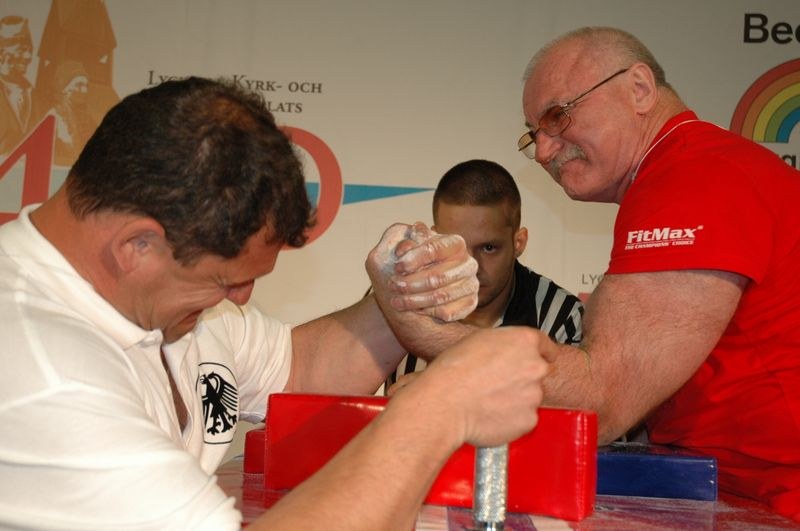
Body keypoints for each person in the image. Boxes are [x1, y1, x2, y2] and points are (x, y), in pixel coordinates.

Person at [0, 77, 549, 530]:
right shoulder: (39, 368)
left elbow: (298, 368)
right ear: (135, 247)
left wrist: (400, 298)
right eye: (225, 282)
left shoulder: (169, 305)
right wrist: (435, 411)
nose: (240, 299)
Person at [514, 26, 799, 520]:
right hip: (735, 490)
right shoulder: (689, 169)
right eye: (533, 133)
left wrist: (443, 358)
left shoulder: (694, 176)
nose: (543, 151)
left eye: (557, 117)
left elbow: (598, 403)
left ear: (640, 89)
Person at [387, 159, 583, 388]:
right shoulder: (399, 297)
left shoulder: (562, 318)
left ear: (518, 243)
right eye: (455, 246)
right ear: (434, 240)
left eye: (488, 248)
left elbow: (571, 403)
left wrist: (439, 391)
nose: (471, 267)